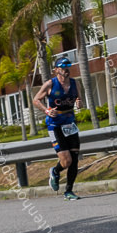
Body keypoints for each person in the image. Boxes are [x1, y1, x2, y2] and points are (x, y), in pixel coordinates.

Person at [33, 56, 83, 200]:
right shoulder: (50, 84)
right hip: (55, 125)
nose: (66, 71)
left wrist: (79, 103)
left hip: (70, 124)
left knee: (74, 159)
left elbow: (79, 100)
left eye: (68, 68)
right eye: (63, 68)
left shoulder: (75, 83)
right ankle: (55, 171)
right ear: (56, 71)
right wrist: (47, 111)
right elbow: (36, 100)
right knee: (66, 161)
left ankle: (68, 191)